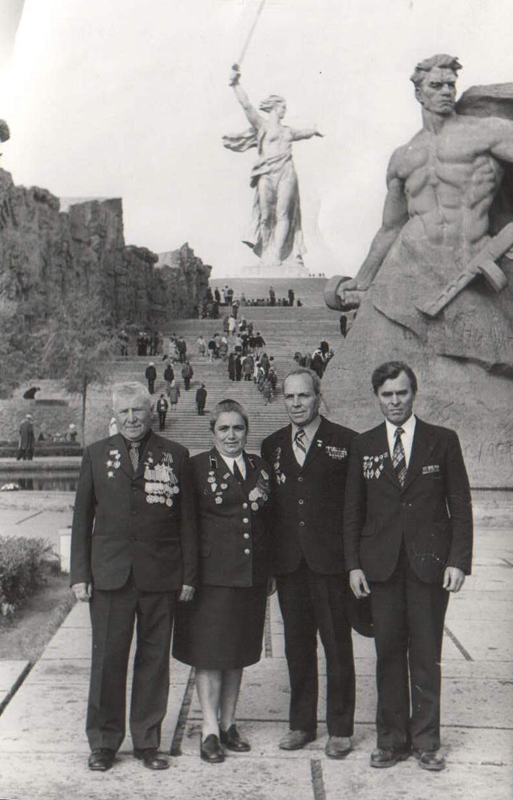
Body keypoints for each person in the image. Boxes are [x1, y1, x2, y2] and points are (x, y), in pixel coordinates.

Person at [335, 54, 513, 374]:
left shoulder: (488, 132)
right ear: (419, 93)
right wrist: (362, 280)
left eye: (450, 85)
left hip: (472, 264)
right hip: (412, 268)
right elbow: (390, 228)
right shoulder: (403, 157)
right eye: (436, 85)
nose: (446, 91)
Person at [344, 361, 473, 772]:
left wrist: (458, 561)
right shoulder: (363, 445)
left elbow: (461, 505)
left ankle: (427, 741)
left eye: (401, 393)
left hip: (428, 567)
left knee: (426, 655)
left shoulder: (443, 440)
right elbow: (352, 511)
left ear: (414, 393)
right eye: (387, 394)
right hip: (380, 568)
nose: (395, 401)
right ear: (376, 397)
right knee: (387, 654)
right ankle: (390, 740)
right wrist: (353, 565)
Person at [70, 382, 197, 772]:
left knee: (154, 661)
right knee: (107, 660)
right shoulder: (95, 455)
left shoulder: (176, 455)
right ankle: (103, 742)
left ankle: (147, 741)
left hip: (161, 575)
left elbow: (188, 522)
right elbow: (81, 519)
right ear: (115, 415)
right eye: (123, 412)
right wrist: (79, 574)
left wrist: (189, 576)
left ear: (150, 411)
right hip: (110, 576)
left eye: (137, 411)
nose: (131, 418)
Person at [261, 368, 357, 759]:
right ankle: (301, 724)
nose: (296, 403)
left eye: (303, 395)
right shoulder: (272, 445)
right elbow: (269, 511)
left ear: (318, 396)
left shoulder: (345, 441)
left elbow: (354, 509)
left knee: (337, 645)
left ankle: (341, 729)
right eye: (289, 397)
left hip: (331, 564)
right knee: (297, 646)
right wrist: (270, 565)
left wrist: (354, 563)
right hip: (290, 564)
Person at [173, 399, 272, 763]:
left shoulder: (260, 468)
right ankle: (209, 729)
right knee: (210, 654)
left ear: (247, 431)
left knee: (237, 653)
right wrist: (188, 576)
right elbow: (186, 525)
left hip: (250, 578)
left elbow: (268, 524)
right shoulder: (197, 468)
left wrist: (269, 571)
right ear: (212, 432)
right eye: (224, 429)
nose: (231, 436)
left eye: (238, 428)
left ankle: (229, 724)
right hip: (211, 579)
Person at [224, 65, 323, 267]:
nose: (285, 110)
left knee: (283, 214)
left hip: (286, 172)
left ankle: (277, 255)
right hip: (266, 173)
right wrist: (235, 84)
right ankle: (266, 253)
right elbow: (246, 105)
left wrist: (313, 130)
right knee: (266, 215)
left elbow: (304, 133)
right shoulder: (262, 125)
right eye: (283, 107)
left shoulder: (288, 131)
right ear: (275, 107)